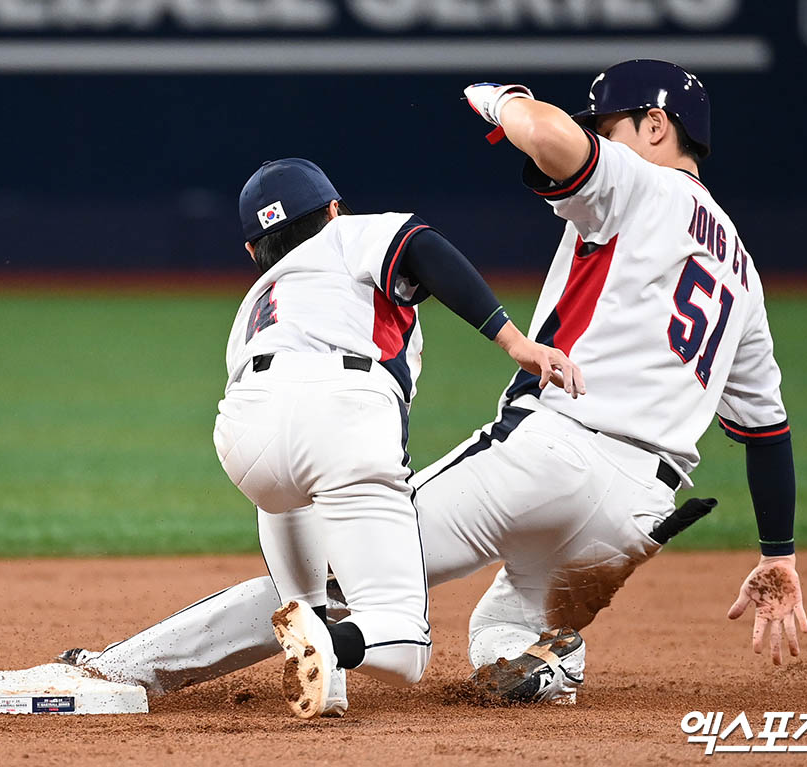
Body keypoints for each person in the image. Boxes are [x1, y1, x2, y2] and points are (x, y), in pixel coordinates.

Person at [59, 60, 807, 712]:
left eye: (608, 122)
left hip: (554, 450)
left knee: (340, 568)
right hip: (637, 510)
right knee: (501, 636)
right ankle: (547, 663)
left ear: (655, 125)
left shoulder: (641, 184)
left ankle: (125, 666)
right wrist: (780, 554)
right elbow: (767, 434)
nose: (598, 134)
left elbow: (548, 137)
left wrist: (499, 97)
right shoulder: (743, 273)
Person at [214, 157, 581, 719]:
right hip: (339, 413)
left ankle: (315, 642)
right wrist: (514, 342)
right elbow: (422, 248)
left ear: (251, 251)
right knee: (403, 643)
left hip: (244, 433)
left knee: (289, 505)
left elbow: (283, 415)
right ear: (333, 209)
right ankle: (332, 646)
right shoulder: (347, 234)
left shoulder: (255, 304)